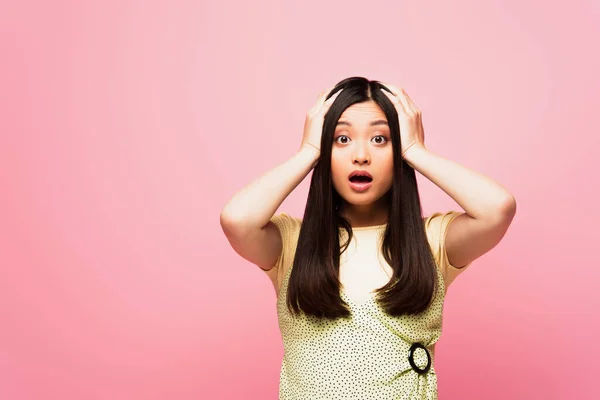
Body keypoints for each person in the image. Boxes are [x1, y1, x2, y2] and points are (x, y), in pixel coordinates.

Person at [220, 77, 517, 399]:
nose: (360, 155)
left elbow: (497, 209)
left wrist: (417, 150)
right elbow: (237, 220)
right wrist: (308, 151)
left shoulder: (433, 240)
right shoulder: (291, 241)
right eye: (342, 138)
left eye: (380, 138)